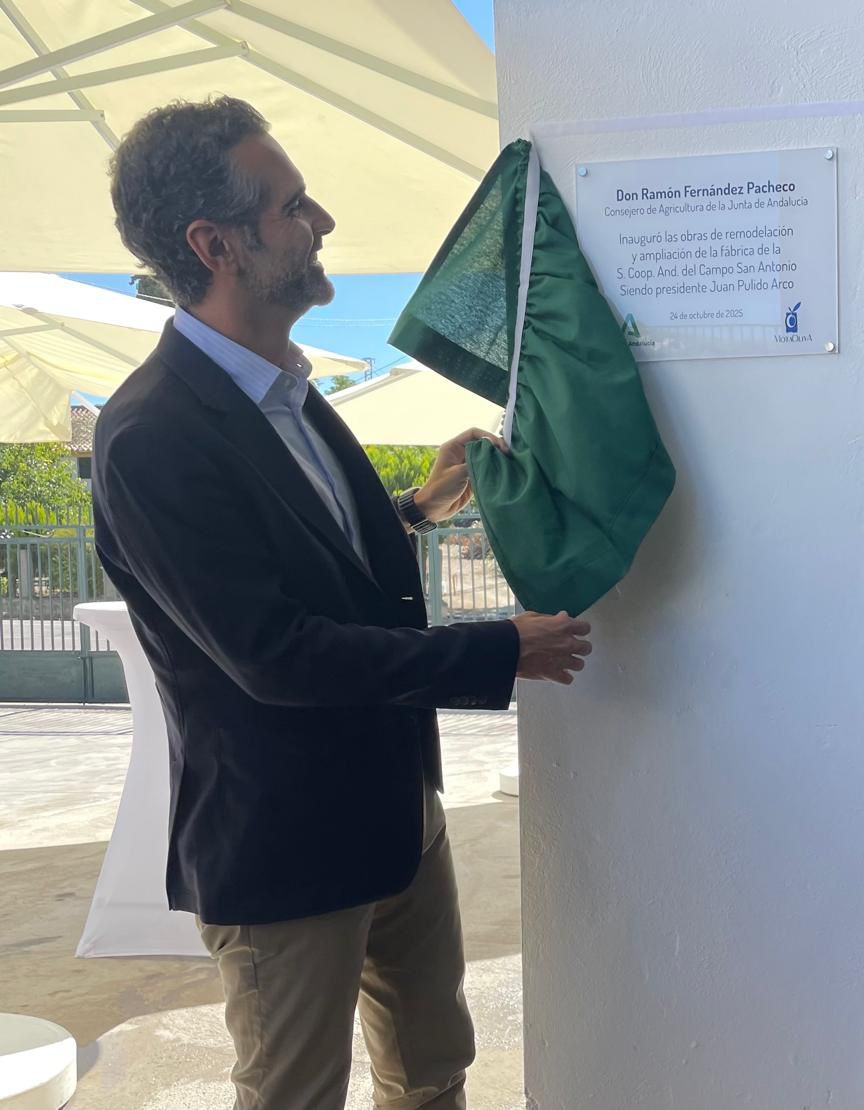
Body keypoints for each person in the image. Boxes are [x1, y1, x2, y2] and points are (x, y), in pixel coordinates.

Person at [94, 96, 591, 1110]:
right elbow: (271, 650)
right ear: (215, 243)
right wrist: (497, 652)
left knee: (432, 1071)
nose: (320, 224)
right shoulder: (152, 434)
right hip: (284, 845)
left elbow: (301, 562)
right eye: (292, 207)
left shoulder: (288, 391)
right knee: (294, 1093)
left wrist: (412, 506)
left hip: (394, 811)